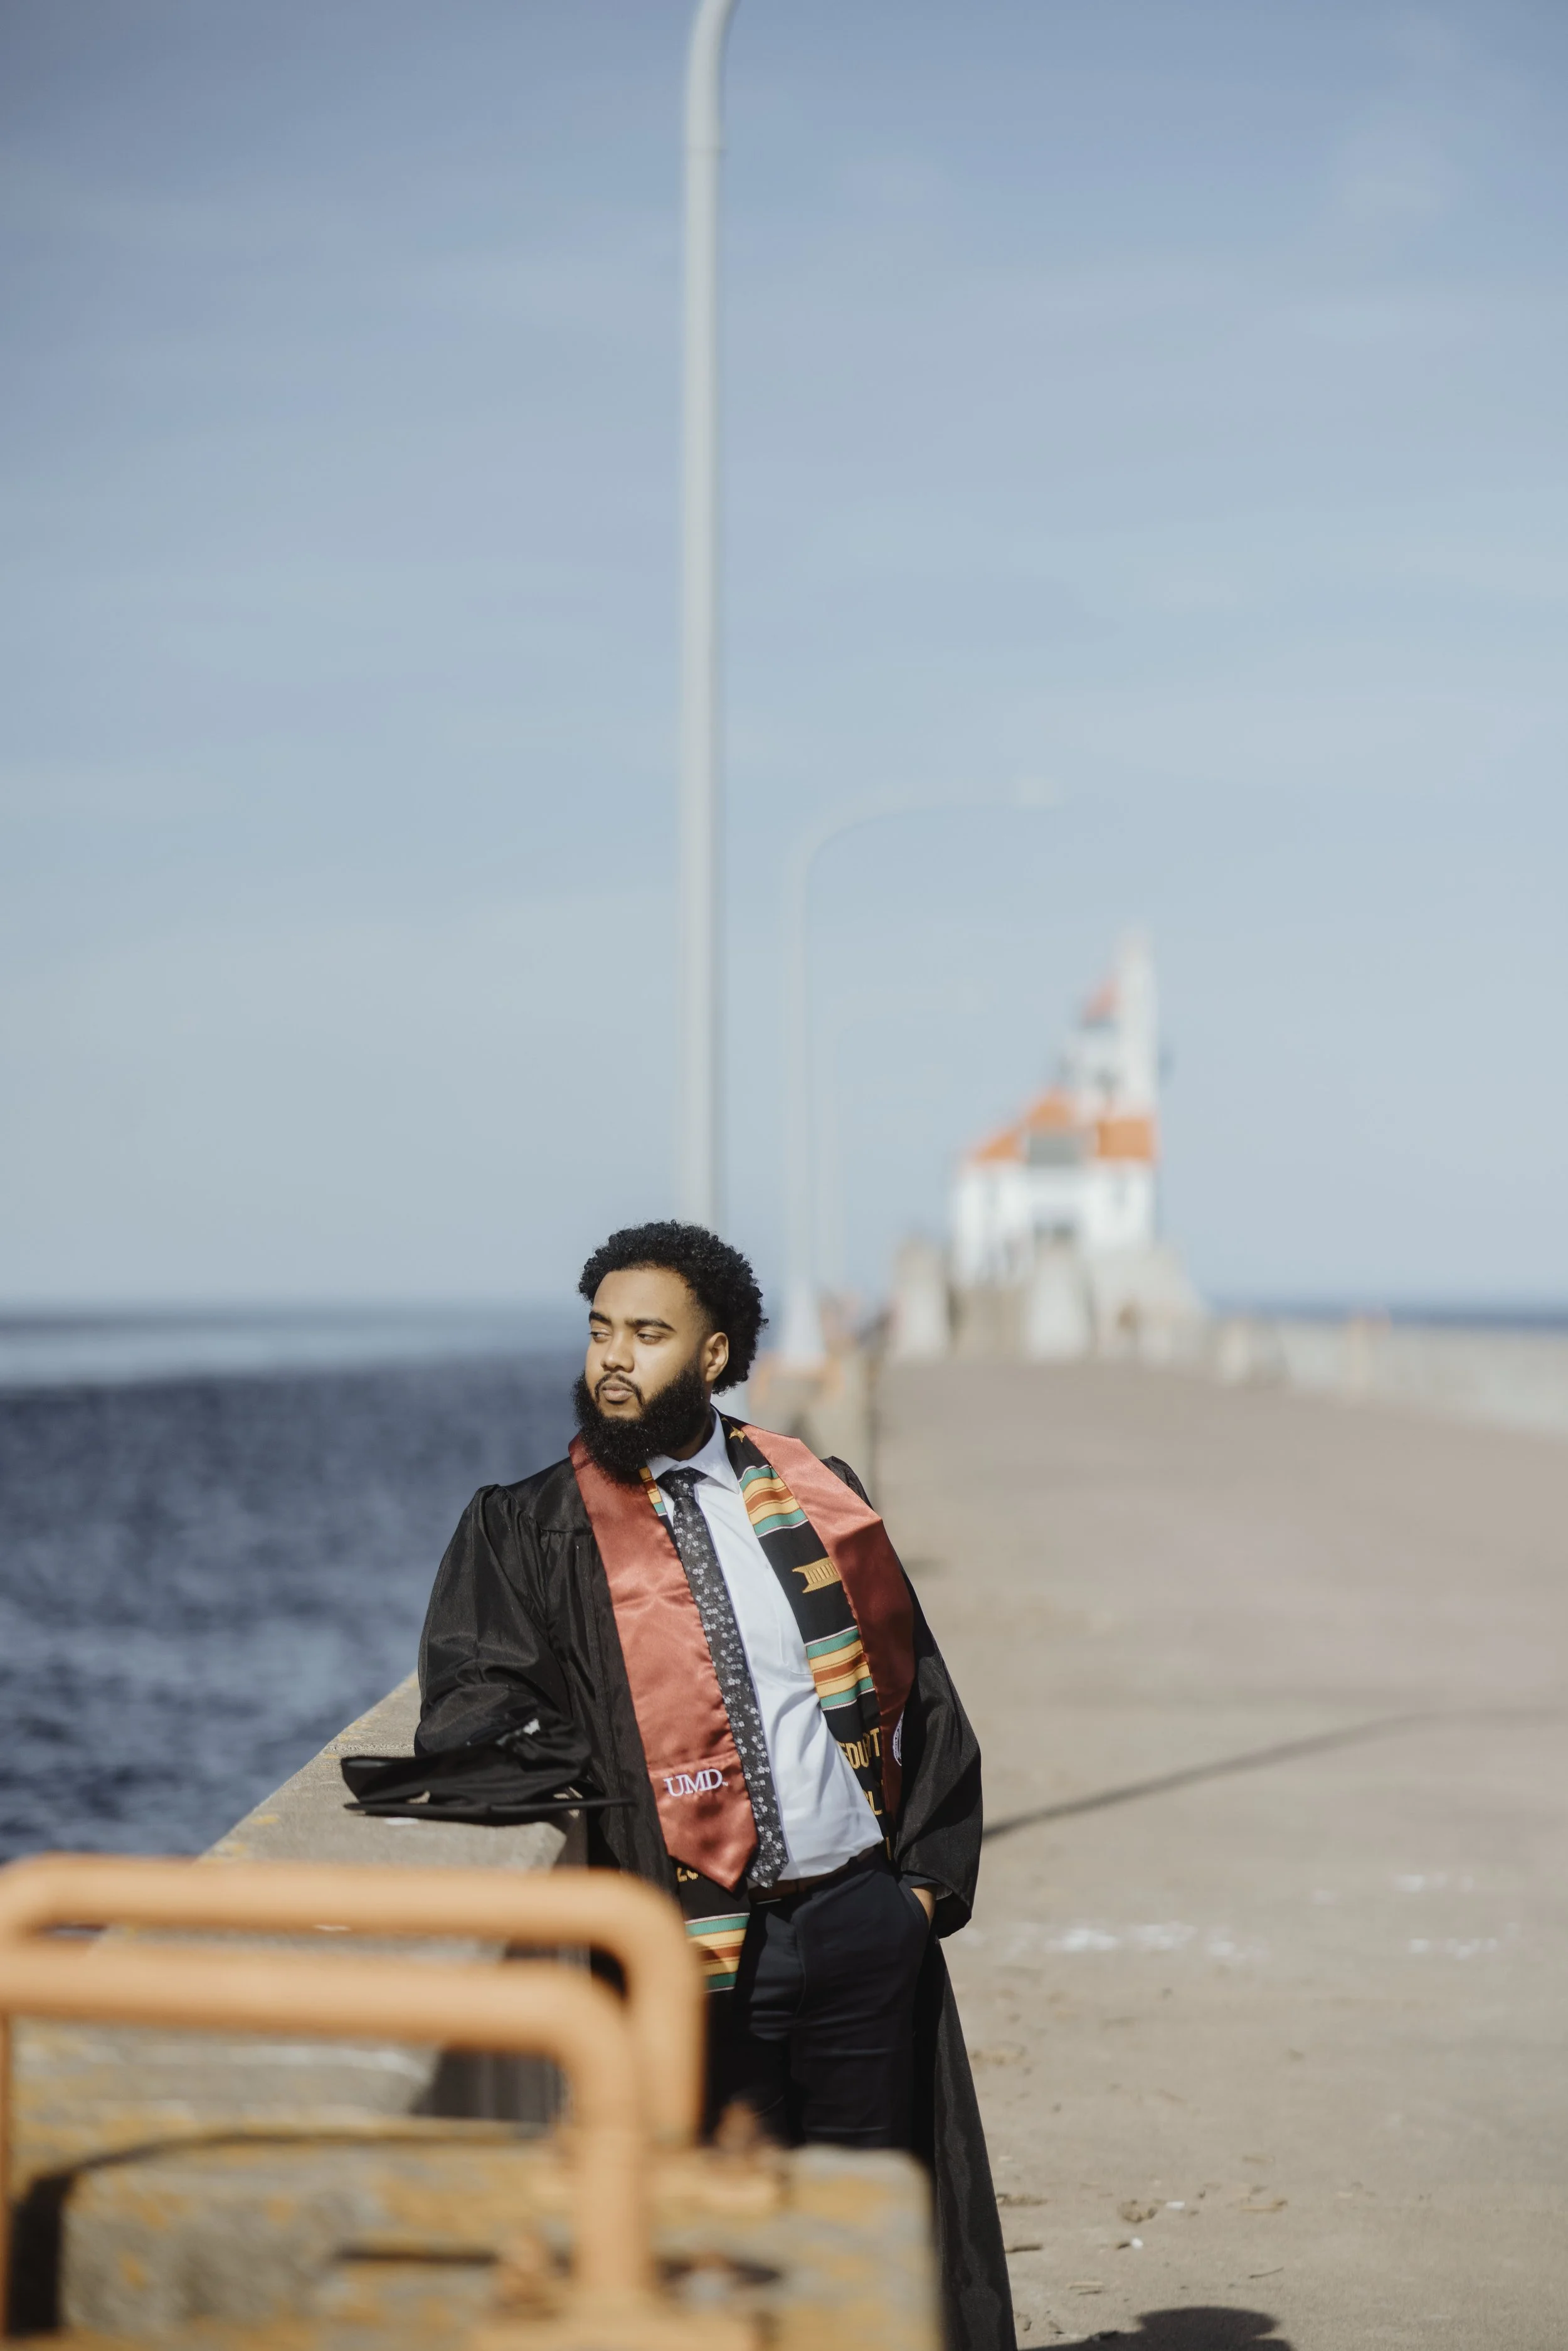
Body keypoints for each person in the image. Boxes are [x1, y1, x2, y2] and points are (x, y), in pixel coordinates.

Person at [417, 1220, 1014, 2351]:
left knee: (867, 2241)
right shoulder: (532, 1530)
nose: (614, 1359)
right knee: (718, 2255)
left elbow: (918, 1692)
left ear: (715, 1355)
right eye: (601, 1330)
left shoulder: (813, 1498)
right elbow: (473, 1707)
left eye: (648, 1334)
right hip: (689, 1952)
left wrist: (917, 1899)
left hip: (856, 1932)